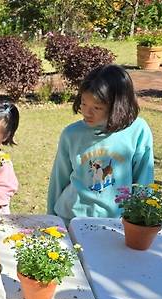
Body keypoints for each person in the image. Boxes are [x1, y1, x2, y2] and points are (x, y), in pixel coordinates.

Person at [47, 64, 154, 222]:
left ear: (118, 106)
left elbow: (144, 180)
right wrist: (51, 219)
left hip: (117, 222)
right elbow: (58, 179)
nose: (86, 113)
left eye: (97, 107)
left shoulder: (138, 130)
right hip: (71, 217)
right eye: (83, 103)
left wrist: (141, 219)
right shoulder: (71, 134)